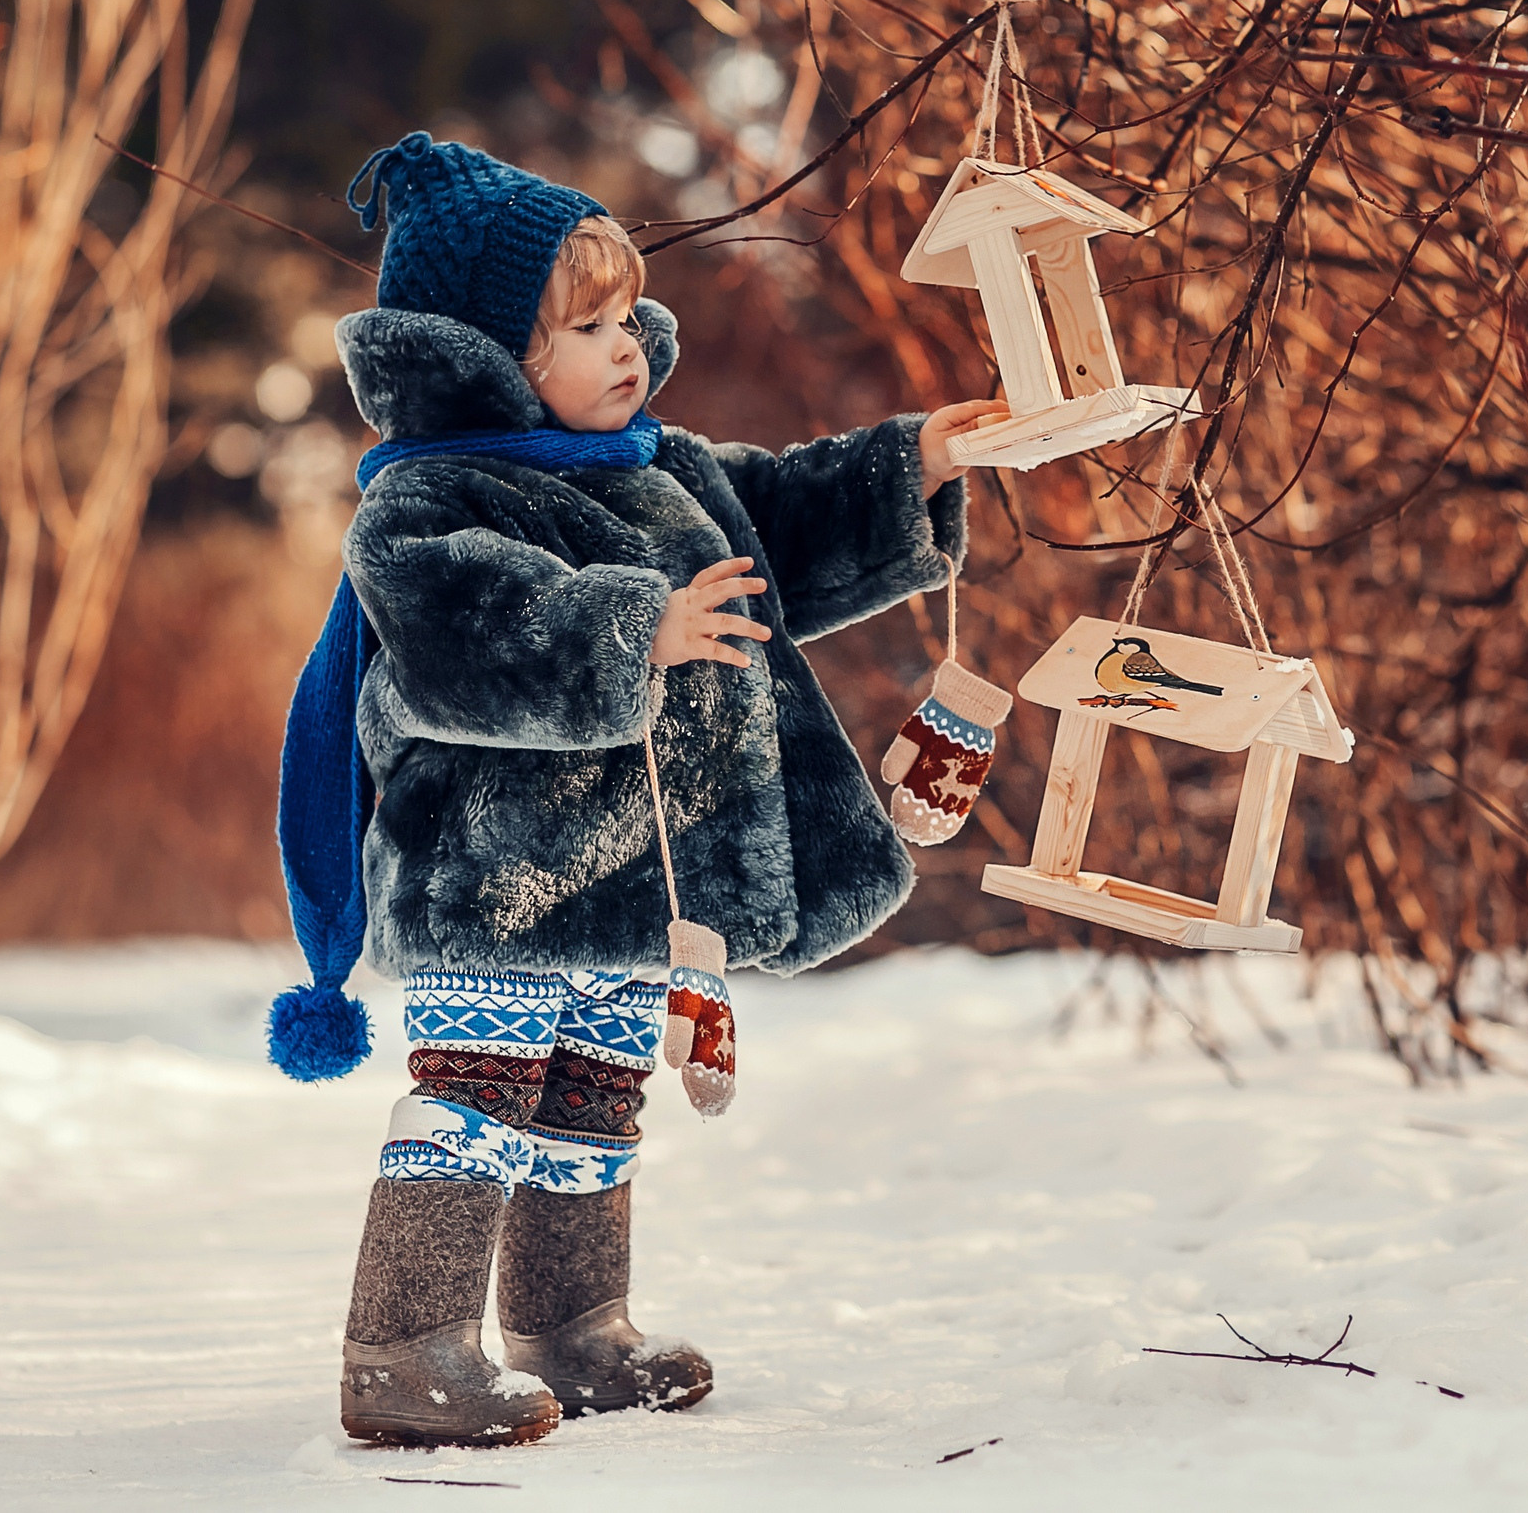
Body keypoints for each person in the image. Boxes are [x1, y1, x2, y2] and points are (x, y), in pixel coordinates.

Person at [267, 132, 1004, 1447]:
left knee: (599, 1094)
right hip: (496, 877)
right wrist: (630, 628)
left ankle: (574, 1327)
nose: (629, 346)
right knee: (482, 1092)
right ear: (492, 355)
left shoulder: (665, 471)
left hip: (638, 882)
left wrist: (914, 467)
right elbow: (464, 634)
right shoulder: (428, 501)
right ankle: (404, 1344)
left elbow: (777, 521)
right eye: (585, 325)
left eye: (626, 315)